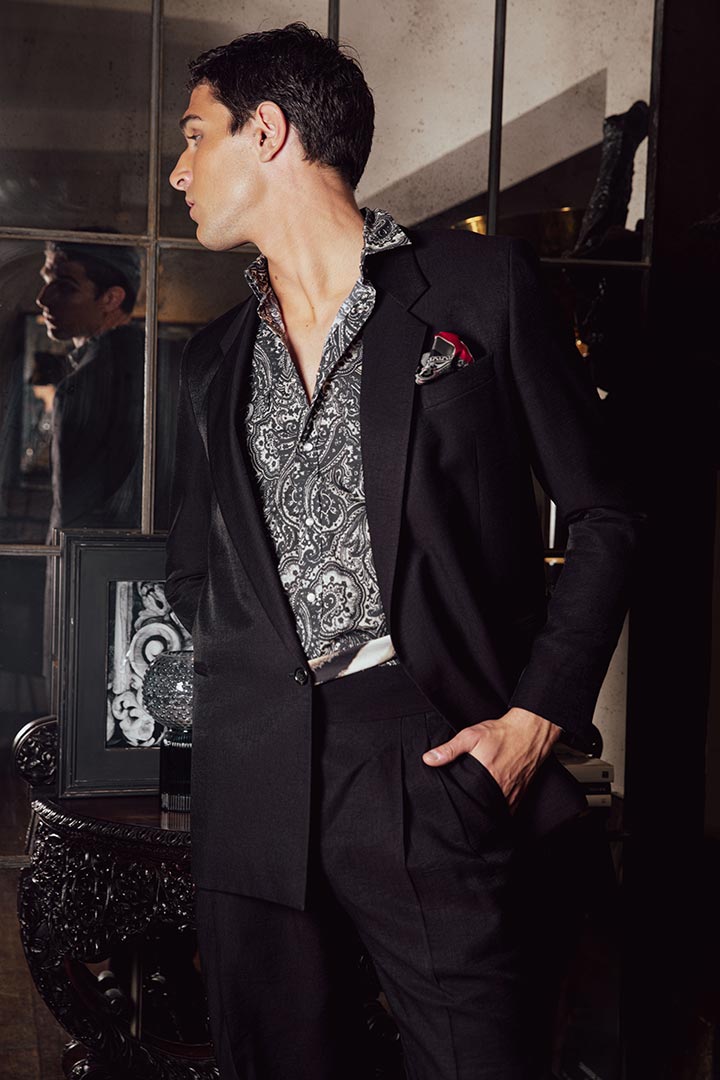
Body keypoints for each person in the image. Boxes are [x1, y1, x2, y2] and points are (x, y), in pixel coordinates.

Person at [165, 23, 643, 1080]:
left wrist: (533, 722)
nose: (179, 171)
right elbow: (194, 565)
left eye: (196, 136)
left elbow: (607, 514)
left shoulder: (478, 287)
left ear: (268, 131)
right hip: (253, 772)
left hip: (427, 756)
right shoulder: (212, 360)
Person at [36, 239, 144, 533]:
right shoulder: (145, 360)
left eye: (65, 287)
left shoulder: (88, 380)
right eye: (46, 281)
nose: (43, 299)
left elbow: (70, 518)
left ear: (111, 299)